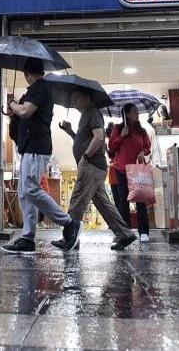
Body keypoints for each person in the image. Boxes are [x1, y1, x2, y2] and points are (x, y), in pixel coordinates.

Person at [1, 58, 75, 254]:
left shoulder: (40, 88)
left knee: (31, 189)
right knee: (25, 192)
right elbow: (23, 114)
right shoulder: (37, 90)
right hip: (30, 146)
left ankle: (68, 223)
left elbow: (25, 111)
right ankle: (27, 237)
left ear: (27, 74)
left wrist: (12, 103)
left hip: (36, 146)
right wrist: (13, 111)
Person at [52, 87, 136, 252]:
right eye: (73, 99)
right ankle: (125, 234)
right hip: (92, 165)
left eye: (77, 98)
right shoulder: (86, 115)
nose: (74, 102)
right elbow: (83, 140)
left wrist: (86, 157)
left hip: (91, 165)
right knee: (104, 205)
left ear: (88, 98)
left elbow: (98, 137)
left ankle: (70, 238)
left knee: (77, 201)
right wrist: (70, 132)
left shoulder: (93, 113)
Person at [107, 103, 152, 242]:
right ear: (126, 114)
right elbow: (111, 148)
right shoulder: (118, 128)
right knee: (123, 201)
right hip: (121, 169)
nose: (137, 114)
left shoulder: (141, 131)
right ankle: (125, 232)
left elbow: (147, 147)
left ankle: (143, 231)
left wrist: (142, 152)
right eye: (134, 112)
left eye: (137, 112)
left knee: (140, 199)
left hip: (137, 169)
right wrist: (121, 136)